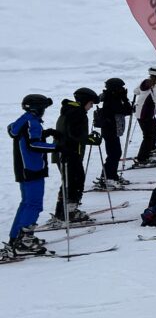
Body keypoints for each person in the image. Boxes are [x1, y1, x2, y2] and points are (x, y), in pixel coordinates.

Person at [3, 95, 59, 260]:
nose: (44, 111)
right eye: (43, 108)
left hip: (25, 170)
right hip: (32, 169)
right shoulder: (31, 122)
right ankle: (23, 243)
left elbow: (25, 137)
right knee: (34, 205)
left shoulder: (24, 120)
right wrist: (58, 147)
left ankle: (17, 239)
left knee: (26, 204)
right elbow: (33, 144)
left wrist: (45, 133)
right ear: (37, 108)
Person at [51, 88, 102, 224]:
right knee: (75, 181)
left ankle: (62, 212)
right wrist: (90, 139)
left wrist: (87, 138)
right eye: (91, 103)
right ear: (85, 101)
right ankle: (70, 212)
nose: (91, 107)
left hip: (65, 152)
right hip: (69, 153)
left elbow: (72, 133)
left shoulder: (70, 110)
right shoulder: (77, 113)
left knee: (69, 182)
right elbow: (75, 134)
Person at [94, 77, 134, 187]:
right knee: (113, 154)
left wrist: (124, 99)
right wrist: (125, 99)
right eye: (120, 88)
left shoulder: (112, 97)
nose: (122, 89)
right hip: (110, 131)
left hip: (112, 131)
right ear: (114, 89)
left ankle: (110, 175)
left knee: (115, 154)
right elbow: (127, 110)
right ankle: (108, 177)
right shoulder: (112, 99)